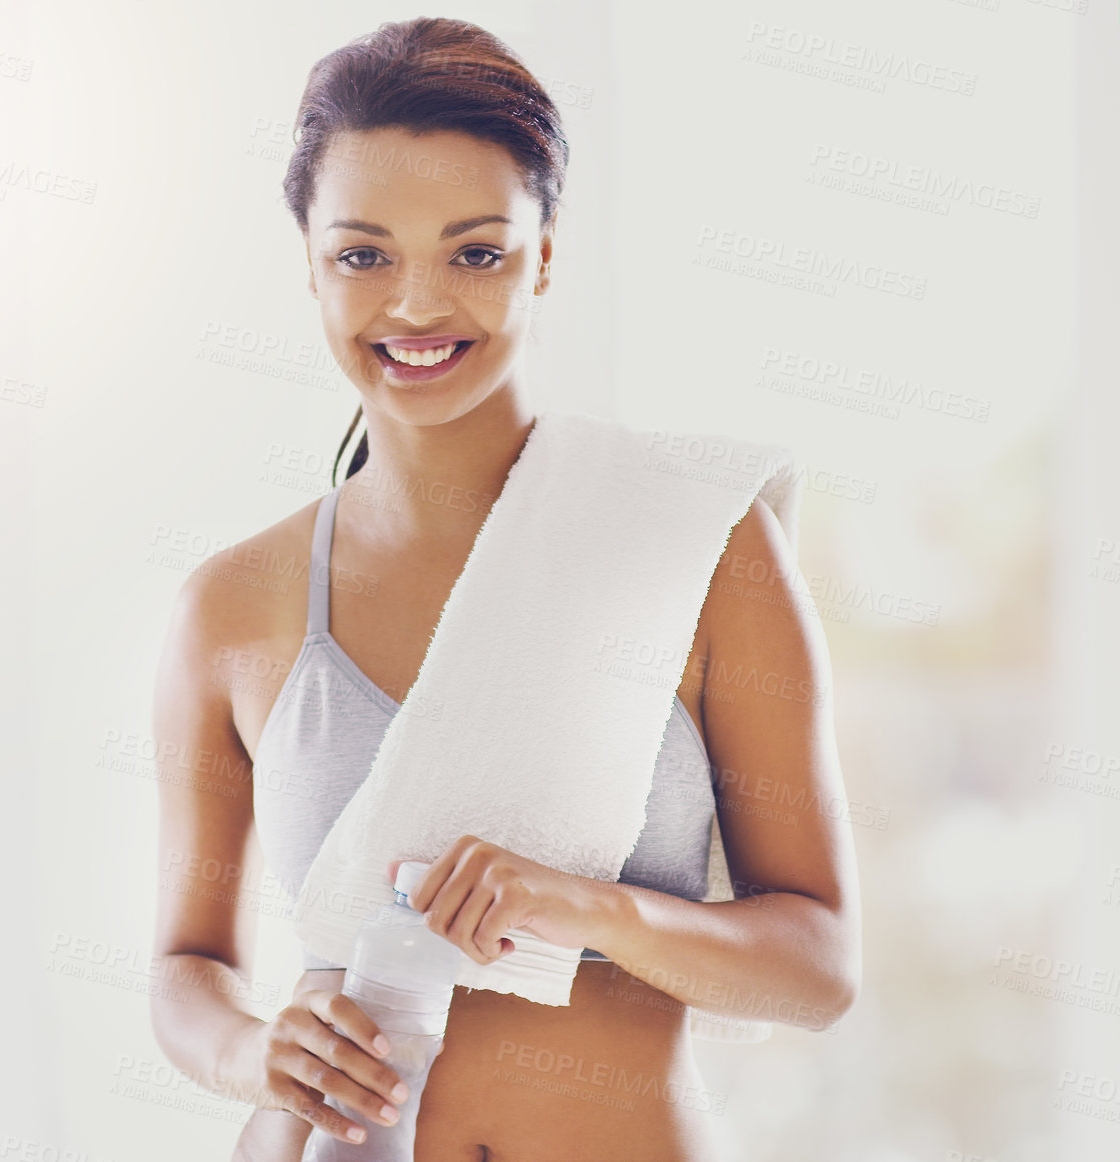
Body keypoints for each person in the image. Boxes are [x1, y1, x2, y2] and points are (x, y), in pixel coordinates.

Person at [149, 17, 861, 1161]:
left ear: (543, 254)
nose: (417, 305)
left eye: (473, 252)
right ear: (311, 261)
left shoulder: (696, 542)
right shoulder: (234, 605)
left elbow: (818, 969)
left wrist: (587, 907)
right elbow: (188, 965)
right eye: (363, 254)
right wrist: (253, 1049)